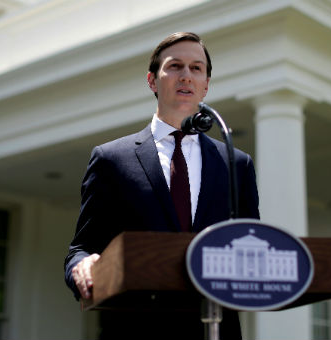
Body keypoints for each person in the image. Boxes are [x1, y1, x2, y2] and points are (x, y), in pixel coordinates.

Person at [64, 32, 260, 339]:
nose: (186, 76)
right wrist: (83, 266)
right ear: (153, 81)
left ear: (206, 84)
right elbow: (82, 248)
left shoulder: (237, 164)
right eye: (175, 66)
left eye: (196, 68)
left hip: (215, 328)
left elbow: (249, 243)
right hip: (134, 328)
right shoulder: (111, 159)